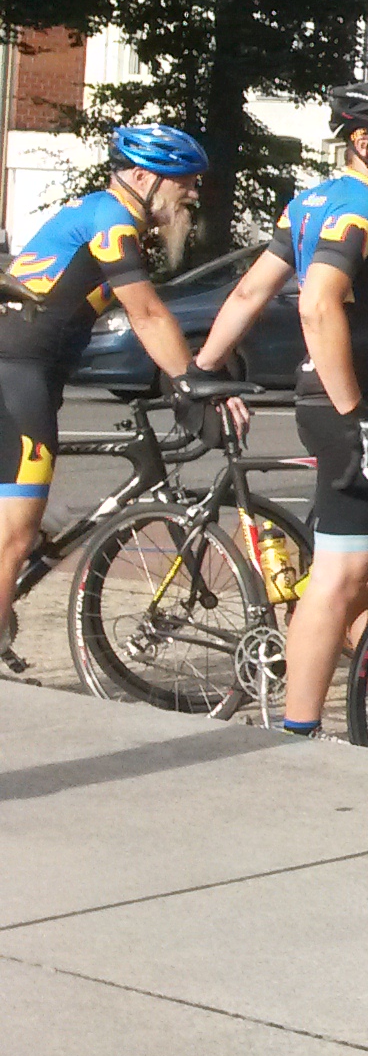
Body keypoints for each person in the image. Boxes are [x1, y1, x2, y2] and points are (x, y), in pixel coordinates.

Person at [193, 84, 368, 744]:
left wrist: (202, 368)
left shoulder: (314, 202)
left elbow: (251, 290)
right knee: (338, 577)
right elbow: (315, 303)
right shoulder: (359, 206)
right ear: (363, 141)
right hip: (355, 413)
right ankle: (296, 732)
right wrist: (353, 411)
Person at [0, 125, 233, 664]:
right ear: (143, 178)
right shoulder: (112, 220)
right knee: (15, 535)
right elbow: (146, 314)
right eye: (184, 181)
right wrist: (193, 381)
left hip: (27, 373)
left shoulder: (100, 214)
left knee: (23, 525)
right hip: (18, 376)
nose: (193, 193)